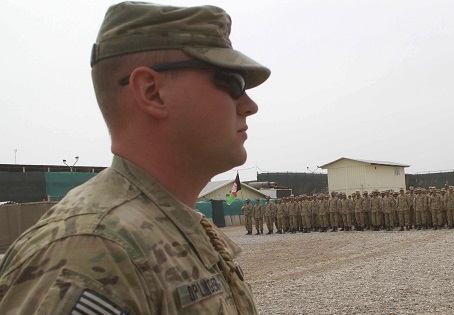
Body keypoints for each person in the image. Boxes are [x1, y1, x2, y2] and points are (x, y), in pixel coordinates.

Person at [0, 3, 270, 314]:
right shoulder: (90, 251)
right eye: (231, 82)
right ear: (152, 92)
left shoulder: (166, 225)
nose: (249, 105)